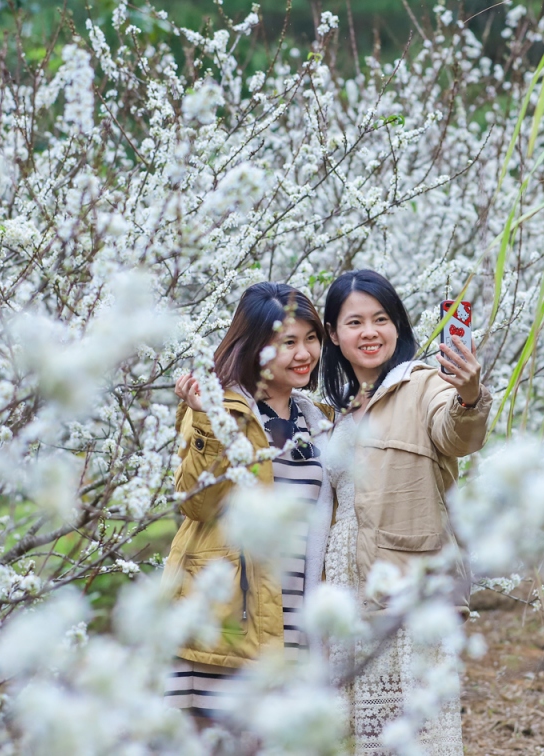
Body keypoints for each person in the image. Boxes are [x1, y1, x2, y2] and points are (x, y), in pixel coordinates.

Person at [320, 269, 489, 754]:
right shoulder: (331, 413)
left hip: (406, 586)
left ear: (398, 326)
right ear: (334, 334)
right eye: (354, 323)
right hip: (345, 585)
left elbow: (458, 433)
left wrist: (470, 394)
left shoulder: (425, 386)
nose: (369, 332)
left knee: (417, 734)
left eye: (381, 319)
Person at [163, 282, 335, 724]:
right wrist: (207, 418)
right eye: (288, 343)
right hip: (230, 619)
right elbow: (195, 504)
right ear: (256, 347)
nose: (304, 354)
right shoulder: (218, 409)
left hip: (295, 615)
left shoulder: (319, 422)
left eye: (311, 339)